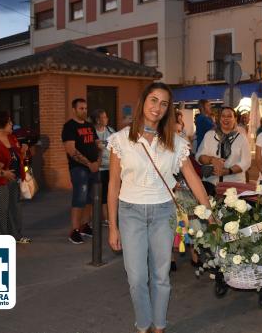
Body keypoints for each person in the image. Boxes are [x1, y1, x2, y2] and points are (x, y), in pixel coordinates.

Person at [106, 82, 214, 333]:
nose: (157, 107)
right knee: (136, 278)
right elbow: (112, 185)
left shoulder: (176, 142)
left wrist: (209, 213)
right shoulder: (121, 140)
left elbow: (193, 179)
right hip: (130, 212)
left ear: (168, 109)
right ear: (143, 102)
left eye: (164, 103)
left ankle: (159, 327)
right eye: (153, 100)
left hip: (163, 212)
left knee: (161, 276)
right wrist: (113, 227)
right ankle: (143, 325)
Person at [0, 111, 31, 243]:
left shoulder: (12, 138)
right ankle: (2, 239)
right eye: (9, 122)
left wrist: (23, 152)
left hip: (15, 179)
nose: (12, 124)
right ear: (1, 124)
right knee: (0, 210)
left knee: (15, 209)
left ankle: (16, 236)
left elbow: (17, 157)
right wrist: (4, 173)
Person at [62, 98, 101, 245]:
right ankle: (74, 230)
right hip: (79, 169)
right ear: (74, 110)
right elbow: (71, 150)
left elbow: (98, 145)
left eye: (85, 108)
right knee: (79, 199)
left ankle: (85, 226)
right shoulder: (69, 127)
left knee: (90, 199)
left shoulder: (90, 126)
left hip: (93, 167)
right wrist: (88, 164)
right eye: (81, 108)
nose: (84, 111)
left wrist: (97, 162)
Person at [197, 106, 251, 185]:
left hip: (234, 184)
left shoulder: (241, 138)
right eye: (223, 116)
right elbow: (199, 157)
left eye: (229, 116)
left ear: (235, 119)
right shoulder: (209, 135)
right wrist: (211, 160)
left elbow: (246, 162)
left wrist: (228, 171)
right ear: (219, 118)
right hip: (211, 183)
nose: (226, 119)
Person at [93, 109, 115, 227]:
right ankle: (101, 217)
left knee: (109, 193)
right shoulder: (92, 132)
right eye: (104, 117)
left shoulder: (111, 131)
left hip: (110, 167)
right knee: (99, 194)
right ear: (98, 120)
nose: (107, 119)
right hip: (98, 168)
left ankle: (107, 218)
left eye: (106, 117)